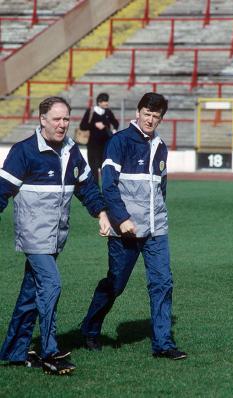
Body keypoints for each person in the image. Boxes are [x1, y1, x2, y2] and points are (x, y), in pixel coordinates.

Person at [0, 96, 110, 375]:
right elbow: (2, 190)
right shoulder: (24, 151)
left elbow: (86, 187)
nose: (62, 125)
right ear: (42, 120)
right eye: (57, 119)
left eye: (66, 119)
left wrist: (101, 213)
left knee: (30, 294)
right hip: (33, 236)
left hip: (56, 237)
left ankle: (14, 351)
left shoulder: (72, 151)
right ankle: (50, 352)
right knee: (51, 285)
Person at [81, 92, 187, 360]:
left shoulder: (160, 145)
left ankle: (163, 344)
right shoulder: (119, 142)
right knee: (115, 284)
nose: (151, 119)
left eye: (156, 116)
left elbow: (161, 187)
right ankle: (90, 329)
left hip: (156, 230)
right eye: (147, 113)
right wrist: (122, 218)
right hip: (126, 230)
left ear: (161, 118)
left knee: (162, 283)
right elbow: (108, 185)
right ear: (138, 112)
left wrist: (159, 215)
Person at [79, 92, 119, 184]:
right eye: (105, 101)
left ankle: (106, 188)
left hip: (105, 145)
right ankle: (95, 190)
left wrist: (113, 130)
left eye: (107, 101)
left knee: (105, 167)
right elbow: (82, 126)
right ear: (99, 102)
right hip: (92, 145)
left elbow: (115, 123)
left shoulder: (108, 112)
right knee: (93, 168)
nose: (107, 103)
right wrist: (94, 124)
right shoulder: (91, 111)